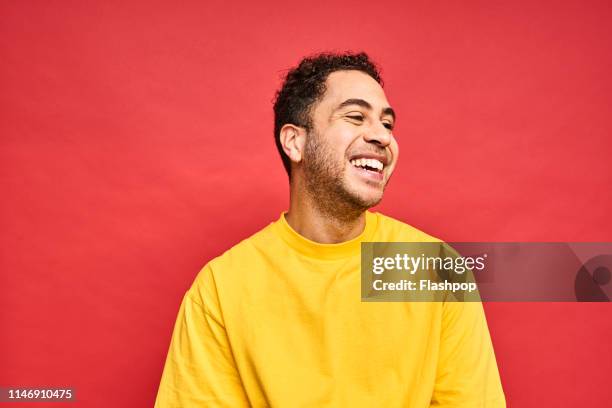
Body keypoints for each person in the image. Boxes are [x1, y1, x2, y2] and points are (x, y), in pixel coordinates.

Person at [155, 52, 505, 407]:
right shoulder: (221, 288)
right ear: (295, 142)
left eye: (387, 124)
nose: (382, 137)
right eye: (356, 117)